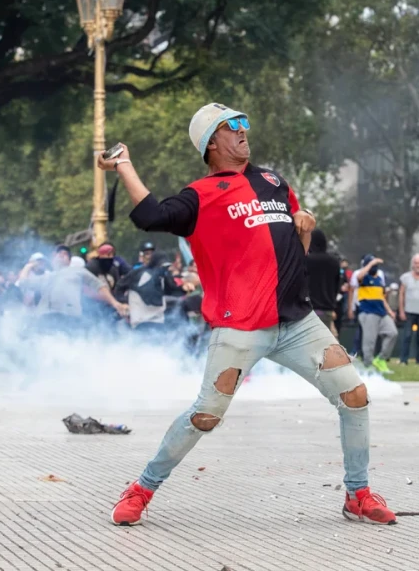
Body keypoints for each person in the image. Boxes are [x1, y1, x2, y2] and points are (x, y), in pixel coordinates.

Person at [99, 102, 395, 527]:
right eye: (231, 126)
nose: (243, 130)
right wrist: (124, 164)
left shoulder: (275, 182)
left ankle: (358, 494)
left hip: (297, 323)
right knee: (206, 415)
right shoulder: (200, 196)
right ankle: (141, 488)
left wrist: (305, 228)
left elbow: (296, 247)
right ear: (211, 142)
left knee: (355, 395)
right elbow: (149, 216)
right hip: (240, 326)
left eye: (243, 123)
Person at [16, 245, 127, 335]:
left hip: (68, 318)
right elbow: (23, 283)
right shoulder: (46, 277)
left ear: (69, 261)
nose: (61, 256)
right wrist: (29, 265)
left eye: (64, 254)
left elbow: (99, 286)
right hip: (45, 318)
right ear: (53, 260)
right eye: (58, 254)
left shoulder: (78, 271)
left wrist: (115, 303)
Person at [117, 251, 187, 331]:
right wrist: (123, 302)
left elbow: (171, 290)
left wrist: (183, 289)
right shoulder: (138, 273)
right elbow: (120, 286)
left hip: (158, 320)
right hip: (141, 319)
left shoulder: (164, 275)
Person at [352, 255, 397, 374]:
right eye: (372, 265)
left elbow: (381, 297)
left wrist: (390, 311)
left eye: (376, 265)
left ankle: (381, 359)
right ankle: (368, 366)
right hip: (368, 312)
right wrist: (370, 263)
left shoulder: (379, 280)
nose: (374, 267)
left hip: (381, 312)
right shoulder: (364, 278)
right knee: (369, 341)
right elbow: (359, 276)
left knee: (392, 333)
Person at [306, 229, 342, 337]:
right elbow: (337, 286)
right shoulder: (334, 262)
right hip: (327, 310)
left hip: (308, 311)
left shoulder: (306, 261)